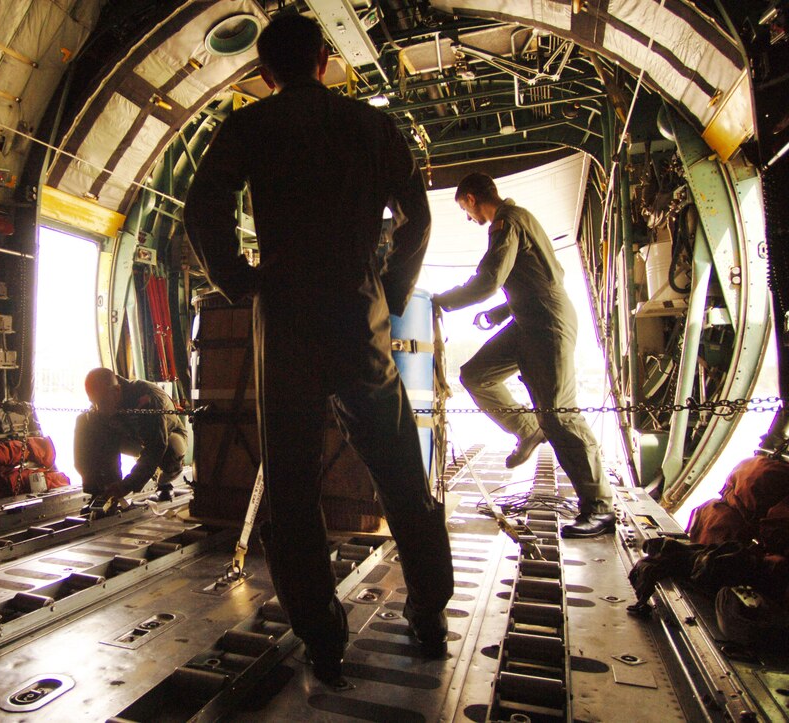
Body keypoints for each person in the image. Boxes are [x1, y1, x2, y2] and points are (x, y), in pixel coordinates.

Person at [184, 14, 454, 685]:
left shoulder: (249, 126)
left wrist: (238, 276)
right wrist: (386, 288)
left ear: (267, 73)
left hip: (287, 319)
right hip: (357, 314)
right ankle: (429, 614)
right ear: (325, 62)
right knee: (398, 471)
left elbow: (201, 206)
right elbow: (416, 216)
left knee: (294, 488)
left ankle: (323, 640)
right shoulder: (371, 126)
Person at [431, 172, 614, 538]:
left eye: (465, 210)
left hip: (547, 323)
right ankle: (526, 428)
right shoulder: (524, 218)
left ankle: (599, 507)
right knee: (476, 374)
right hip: (527, 319)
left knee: (560, 414)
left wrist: (436, 301)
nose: (469, 218)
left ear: (470, 198)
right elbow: (547, 271)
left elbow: (488, 280)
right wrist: (503, 312)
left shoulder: (506, 222)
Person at [75, 368, 188, 503]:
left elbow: (156, 446)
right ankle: (101, 492)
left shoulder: (146, 397)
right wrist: (107, 486)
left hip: (166, 438)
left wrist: (128, 485)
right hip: (134, 440)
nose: (99, 408)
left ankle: (164, 483)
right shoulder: (102, 402)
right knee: (85, 422)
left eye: (102, 403)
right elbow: (99, 445)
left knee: (170, 447)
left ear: (116, 391)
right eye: (94, 403)